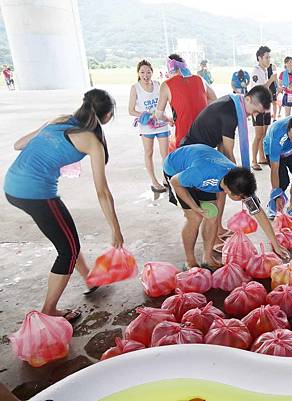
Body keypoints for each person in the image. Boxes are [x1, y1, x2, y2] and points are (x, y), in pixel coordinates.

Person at [4, 89, 124, 322]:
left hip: (12, 186)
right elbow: (102, 192)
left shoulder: (60, 120)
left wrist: (46, 131)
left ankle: (89, 277)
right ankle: (49, 310)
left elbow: (19, 144)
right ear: (107, 115)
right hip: (36, 193)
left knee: (67, 236)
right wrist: (115, 229)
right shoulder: (92, 141)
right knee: (67, 250)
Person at [163, 144, 290, 269]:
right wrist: (194, 207)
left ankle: (207, 258)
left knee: (212, 214)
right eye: (241, 198)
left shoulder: (237, 179)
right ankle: (190, 260)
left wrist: (276, 244)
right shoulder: (201, 176)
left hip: (200, 162)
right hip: (175, 170)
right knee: (195, 218)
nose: (243, 201)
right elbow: (175, 182)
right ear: (229, 192)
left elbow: (258, 212)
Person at [179, 86, 273, 250]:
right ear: (248, 99)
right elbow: (228, 153)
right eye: (256, 111)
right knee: (207, 207)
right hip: (192, 159)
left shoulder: (234, 102)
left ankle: (218, 230)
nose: (255, 116)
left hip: (205, 153)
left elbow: (223, 147)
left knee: (221, 190)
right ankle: (211, 240)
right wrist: (241, 184)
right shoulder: (230, 113)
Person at [156, 54, 217, 149]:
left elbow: (158, 114)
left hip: (184, 139)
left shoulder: (166, 84)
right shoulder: (200, 79)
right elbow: (214, 100)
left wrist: (169, 119)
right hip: (205, 136)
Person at [128, 60, 170, 193]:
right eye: (142, 72)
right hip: (147, 127)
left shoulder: (159, 85)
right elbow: (131, 110)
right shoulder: (135, 88)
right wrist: (145, 115)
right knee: (149, 153)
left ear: (152, 72)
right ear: (138, 73)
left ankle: (166, 178)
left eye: (148, 72)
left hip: (162, 125)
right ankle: (154, 181)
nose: (145, 75)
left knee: (166, 154)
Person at [264, 116, 292, 221]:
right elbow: (274, 170)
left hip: (291, 150)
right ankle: (272, 205)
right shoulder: (277, 135)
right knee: (283, 181)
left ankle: (291, 208)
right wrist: (276, 194)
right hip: (274, 152)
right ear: (287, 129)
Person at [249, 46, 278, 171]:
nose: (268, 60)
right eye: (266, 57)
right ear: (259, 58)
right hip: (257, 107)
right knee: (258, 135)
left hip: (266, 106)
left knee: (264, 134)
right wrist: (271, 80)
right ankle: (254, 160)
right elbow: (259, 90)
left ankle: (262, 157)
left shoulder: (265, 70)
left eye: (269, 57)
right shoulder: (256, 71)